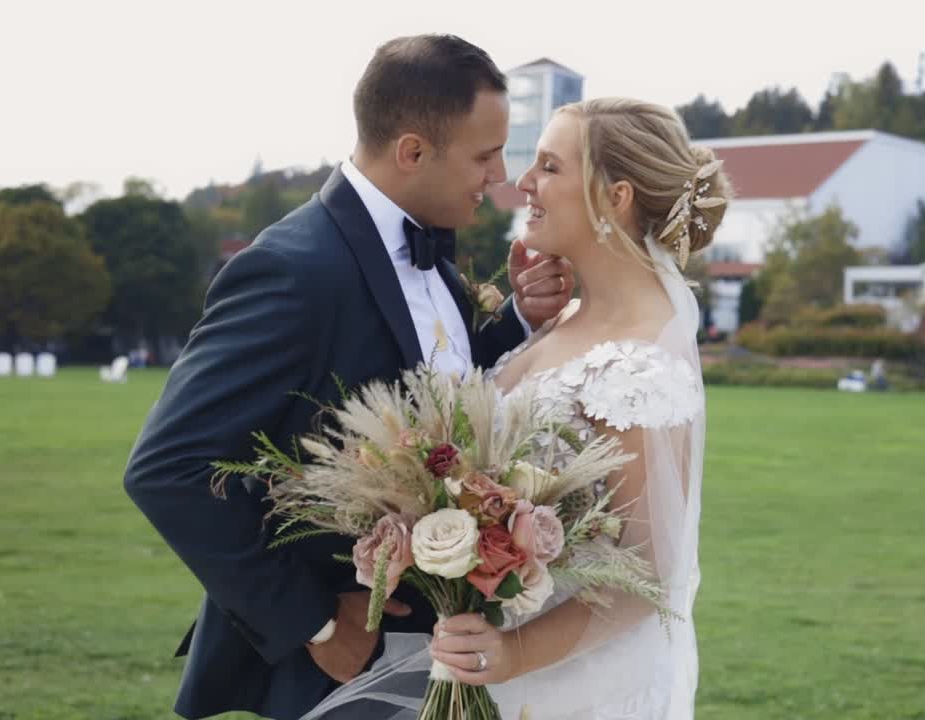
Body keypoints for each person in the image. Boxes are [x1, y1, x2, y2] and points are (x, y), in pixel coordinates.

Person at [123, 34, 575, 720]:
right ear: (413, 151)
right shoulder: (294, 270)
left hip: (439, 652)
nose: (499, 178)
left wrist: (513, 321)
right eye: (485, 156)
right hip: (334, 671)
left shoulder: (432, 258)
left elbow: (434, 404)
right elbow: (166, 467)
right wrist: (316, 624)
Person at [307, 97, 730, 720]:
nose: (522, 182)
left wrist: (511, 655)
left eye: (550, 167)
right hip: (493, 658)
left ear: (615, 197)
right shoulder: (561, 320)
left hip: (572, 684)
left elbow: (646, 574)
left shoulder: (644, 366)